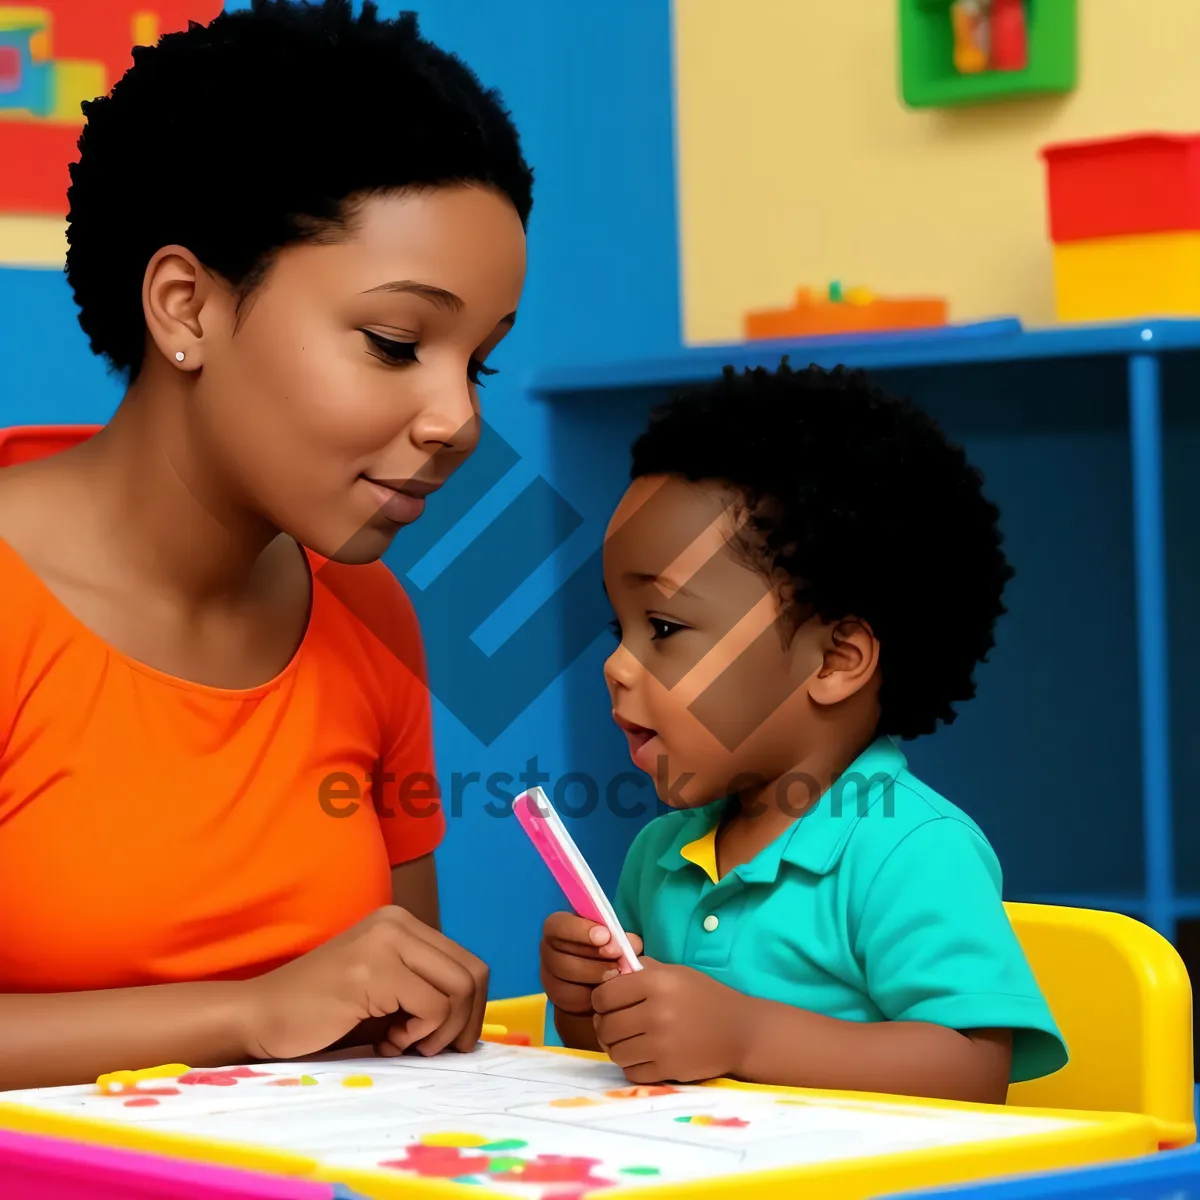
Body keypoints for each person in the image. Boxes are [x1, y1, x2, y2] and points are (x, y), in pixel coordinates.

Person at [0, 0, 531, 1090]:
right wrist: (249, 1012)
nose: (457, 420)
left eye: (476, 363)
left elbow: (394, 1016)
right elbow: (286, 1014)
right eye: (396, 343)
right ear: (186, 307)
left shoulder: (369, 617)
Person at [540, 360, 1068, 1104]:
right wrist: (587, 1000)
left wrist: (744, 1035)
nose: (618, 667)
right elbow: (653, 1047)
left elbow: (972, 1070)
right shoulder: (660, 854)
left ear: (837, 659)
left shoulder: (905, 850)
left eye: (663, 627)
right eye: (617, 628)